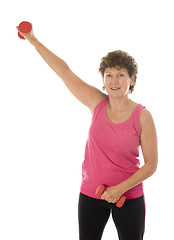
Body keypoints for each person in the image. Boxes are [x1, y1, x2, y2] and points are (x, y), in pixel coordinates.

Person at [16, 24, 158, 240]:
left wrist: (120, 189)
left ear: (133, 79)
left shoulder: (143, 116)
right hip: (91, 194)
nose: (114, 81)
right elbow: (64, 71)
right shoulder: (97, 103)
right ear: (103, 79)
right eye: (109, 75)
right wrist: (33, 40)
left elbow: (151, 165)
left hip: (128, 196)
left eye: (121, 75)